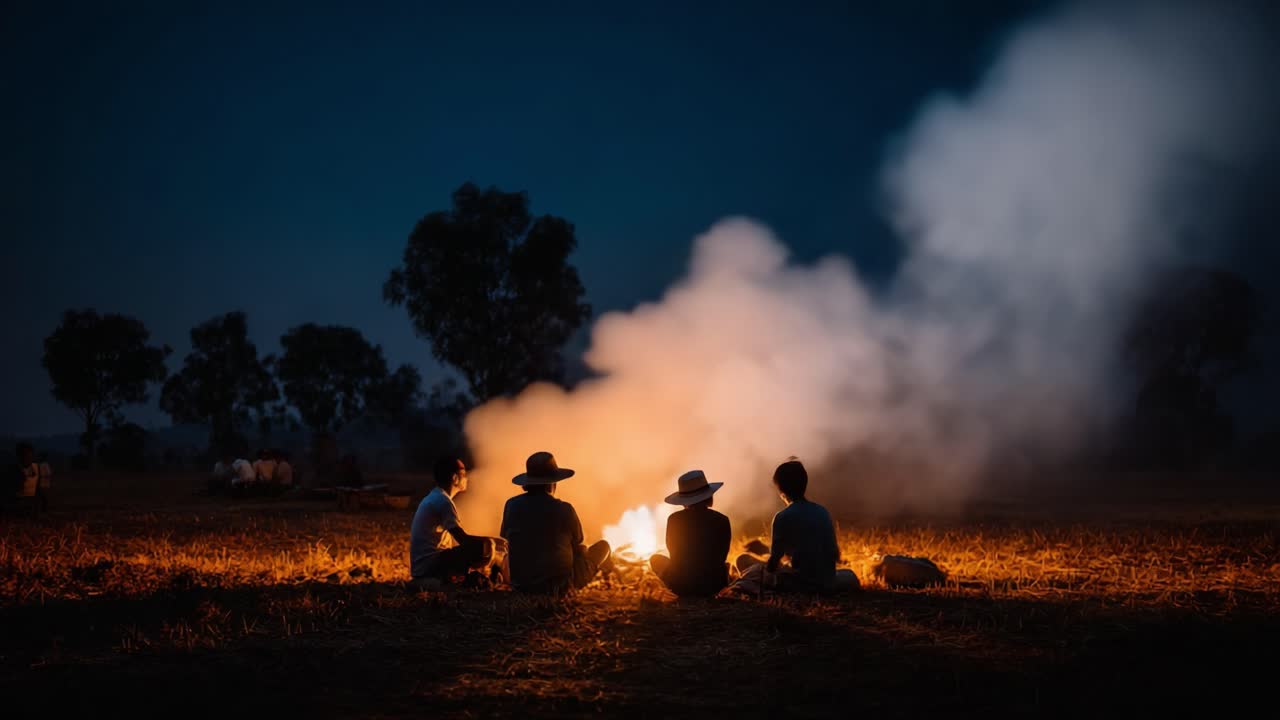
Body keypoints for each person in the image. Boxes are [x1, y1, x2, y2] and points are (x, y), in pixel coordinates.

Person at [736, 457, 857, 593]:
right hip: (827, 582)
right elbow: (834, 553)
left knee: (743, 560)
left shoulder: (782, 517)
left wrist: (766, 567)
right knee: (849, 574)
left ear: (780, 490)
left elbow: (773, 563)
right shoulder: (822, 512)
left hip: (798, 584)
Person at [500, 451, 612, 595]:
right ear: (552, 483)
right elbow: (577, 547)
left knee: (506, 556)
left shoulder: (511, 505)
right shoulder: (564, 509)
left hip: (521, 586)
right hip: (559, 587)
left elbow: (509, 540)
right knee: (604, 547)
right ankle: (610, 576)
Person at [409, 456, 506, 589]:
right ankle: (452, 579)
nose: (467, 479)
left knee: (484, 545)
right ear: (455, 478)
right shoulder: (443, 502)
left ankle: (457, 578)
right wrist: (491, 542)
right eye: (464, 475)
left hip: (424, 566)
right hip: (430, 565)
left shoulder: (437, 497)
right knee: (483, 546)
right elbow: (463, 539)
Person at [648, 470, 732, 598]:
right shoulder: (722, 519)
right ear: (708, 496)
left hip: (682, 586)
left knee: (655, 559)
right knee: (725, 565)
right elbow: (722, 555)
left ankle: (680, 588)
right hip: (714, 585)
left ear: (684, 499)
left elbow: (674, 553)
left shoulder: (674, 519)